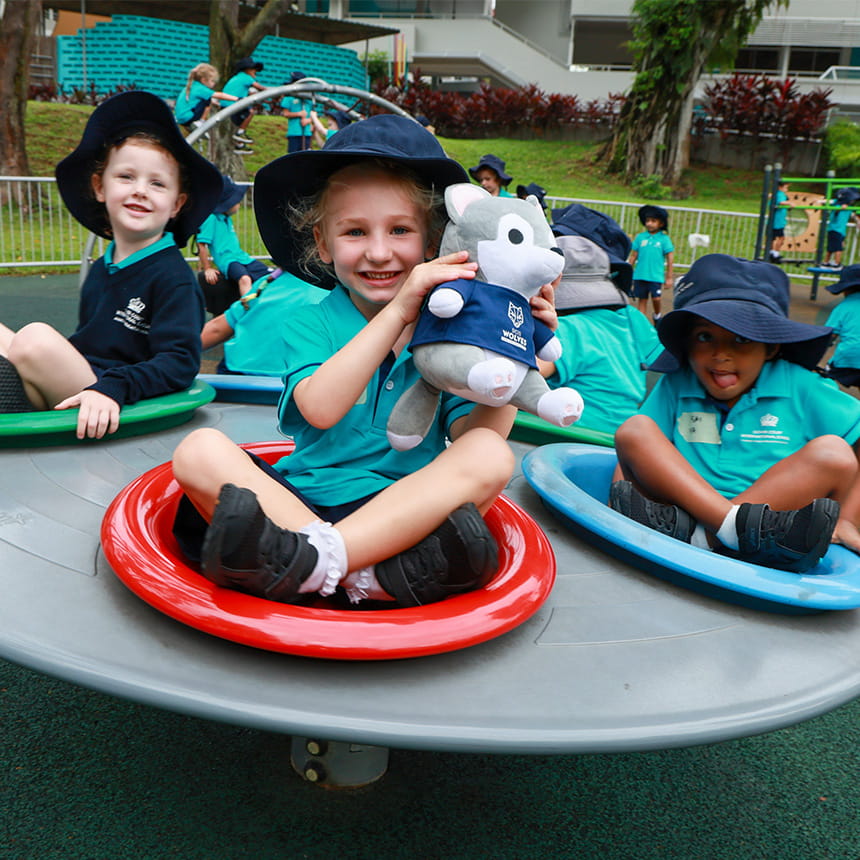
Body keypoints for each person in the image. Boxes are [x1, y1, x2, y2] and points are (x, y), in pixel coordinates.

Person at [171, 114, 538, 609]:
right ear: (323, 244)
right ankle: (360, 574)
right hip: (300, 506)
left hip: (400, 513)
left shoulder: (453, 328)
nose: (379, 252)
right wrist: (400, 313)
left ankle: (311, 565)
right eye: (355, 232)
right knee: (199, 449)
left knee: (494, 456)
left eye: (400, 230)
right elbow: (321, 409)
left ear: (431, 243)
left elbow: (480, 436)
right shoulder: (309, 323)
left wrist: (516, 343)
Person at [609, 253, 860, 573]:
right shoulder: (678, 382)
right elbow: (632, 457)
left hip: (773, 531)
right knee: (636, 429)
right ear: (687, 344)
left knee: (834, 453)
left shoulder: (800, 385)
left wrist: (849, 519)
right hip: (676, 519)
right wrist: (620, 501)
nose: (721, 354)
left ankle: (712, 536)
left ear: (770, 347)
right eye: (704, 337)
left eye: (741, 338)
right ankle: (727, 531)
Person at [0, 91, 221, 438]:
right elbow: (90, 345)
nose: (141, 190)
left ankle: (17, 391)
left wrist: (115, 387)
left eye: (157, 183)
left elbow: (179, 363)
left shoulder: (172, 277)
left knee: (35, 339)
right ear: (99, 187)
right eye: (126, 177)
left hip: (115, 396)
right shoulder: (103, 268)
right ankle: (15, 391)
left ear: (177, 204)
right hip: (86, 379)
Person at [541, 233, 661, 434]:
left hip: (574, 439)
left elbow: (522, 370)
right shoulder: (629, 318)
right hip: (621, 438)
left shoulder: (569, 329)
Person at [201, 267, 328, 375]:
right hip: (297, 380)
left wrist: (183, 348)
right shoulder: (333, 294)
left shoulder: (267, 284)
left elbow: (217, 329)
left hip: (238, 370)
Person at [196, 174, 272, 308]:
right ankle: (248, 309)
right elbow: (202, 244)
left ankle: (267, 304)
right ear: (227, 203)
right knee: (245, 279)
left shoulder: (227, 218)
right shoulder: (211, 219)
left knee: (269, 274)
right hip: (228, 260)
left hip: (242, 257)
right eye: (237, 201)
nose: (239, 204)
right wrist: (207, 268)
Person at [629, 204, 674, 323]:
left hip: (655, 275)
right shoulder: (641, 237)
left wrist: (669, 277)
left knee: (656, 298)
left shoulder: (664, 239)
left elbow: (670, 257)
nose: (649, 223)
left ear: (661, 224)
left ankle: (657, 315)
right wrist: (628, 270)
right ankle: (641, 324)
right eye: (648, 220)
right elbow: (633, 255)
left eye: (653, 221)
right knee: (642, 300)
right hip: (640, 274)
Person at [822, 263, 860, 388]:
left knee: (826, 381)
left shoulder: (842, 308)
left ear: (845, 290)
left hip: (848, 357)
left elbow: (829, 335)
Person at [173, 63, 238, 132]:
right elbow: (220, 95)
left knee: (207, 99)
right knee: (208, 99)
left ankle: (192, 128)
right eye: (212, 81)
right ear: (204, 80)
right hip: (189, 117)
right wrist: (236, 99)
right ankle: (201, 121)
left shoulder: (192, 86)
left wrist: (215, 103)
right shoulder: (201, 88)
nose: (214, 84)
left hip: (181, 118)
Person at [222, 57, 267, 154]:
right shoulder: (246, 77)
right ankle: (240, 133)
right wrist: (274, 92)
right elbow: (261, 88)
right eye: (253, 69)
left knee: (240, 120)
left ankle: (238, 144)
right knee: (250, 112)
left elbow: (244, 93)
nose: (255, 71)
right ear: (247, 70)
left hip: (226, 104)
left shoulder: (238, 77)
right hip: (232, 104)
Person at [821, 187, 860, 270]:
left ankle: (826, 262)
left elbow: (853, 215)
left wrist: (858, 221)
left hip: (841, 231)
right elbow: (830, 205)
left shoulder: (849, 207)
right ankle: (836, 263)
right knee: (837, 248)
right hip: (835, 229)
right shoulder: (837, 204)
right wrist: (839, 209)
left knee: (833, 247)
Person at [280, 71, 314, 154]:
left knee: (306, 155)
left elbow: (313, 114)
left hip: (306, 133)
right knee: (293, 155)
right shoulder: (289, 98)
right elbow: (285, 113)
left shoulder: (308, 98)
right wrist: (298, 114)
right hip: (294, 132)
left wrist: (309, 120)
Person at [769, 180, 790, 263]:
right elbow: (781, 202)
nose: (787, 189)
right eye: (786, 188)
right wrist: (790, 203)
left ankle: (772, 252)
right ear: (780, 187)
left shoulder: (776, 194)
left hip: (776, 220)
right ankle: (775, 253)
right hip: (777, 222)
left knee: (772, 238)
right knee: (781, 237)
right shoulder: (780, 194)